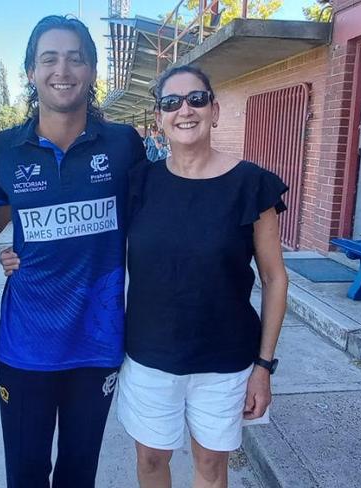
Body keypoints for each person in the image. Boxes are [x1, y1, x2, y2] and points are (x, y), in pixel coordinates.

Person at [0, 15, 146, 488]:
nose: (63, 69)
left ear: (93, 71)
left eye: (76, 58)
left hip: (96, 346)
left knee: (79, 475)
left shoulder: (122, 145)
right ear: (32, 72)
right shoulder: (4, 149)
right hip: (24, 349)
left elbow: (156, 225)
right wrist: (7, 253)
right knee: (27, 474)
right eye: (49, 58)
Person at [118, 65, 289, 488]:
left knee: (211, 468)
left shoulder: (251, 185)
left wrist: (263, 367)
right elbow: (89, 245)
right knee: (152, 461)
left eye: (196, 99)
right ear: (159, 117)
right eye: (171, 103)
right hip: (149, 357)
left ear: (215, 109)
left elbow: (274, 279)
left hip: (226, 361)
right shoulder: (138, 183)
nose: (185, 110)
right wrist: (23, 252)